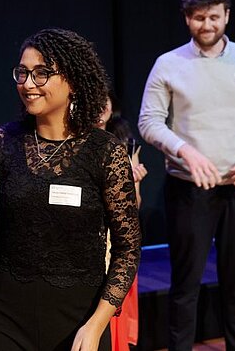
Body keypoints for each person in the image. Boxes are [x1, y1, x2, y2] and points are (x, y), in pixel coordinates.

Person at [0, 28, 141, 351]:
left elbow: (127, 250)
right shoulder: (4, 141)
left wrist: (96, 325)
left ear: (72, 81)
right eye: (22, 72)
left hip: (79, 317)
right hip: (5, 313)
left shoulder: (105, 151)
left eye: (41, 73)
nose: (28, 83)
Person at [137, 0, 235, 350]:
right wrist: (184, 150)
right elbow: (149, 121)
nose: (207, 25)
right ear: (187, 18)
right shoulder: (169, 63)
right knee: (185, 286)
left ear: (227, 16)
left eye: (214, 17)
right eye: (199, 18)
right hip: (189, 188)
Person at [98, 93, 147, 351]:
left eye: (104, 100)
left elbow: (134, 206)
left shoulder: (126, 144)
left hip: (115, 240)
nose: (100, 106)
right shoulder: (73, 139)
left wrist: (133, 182)